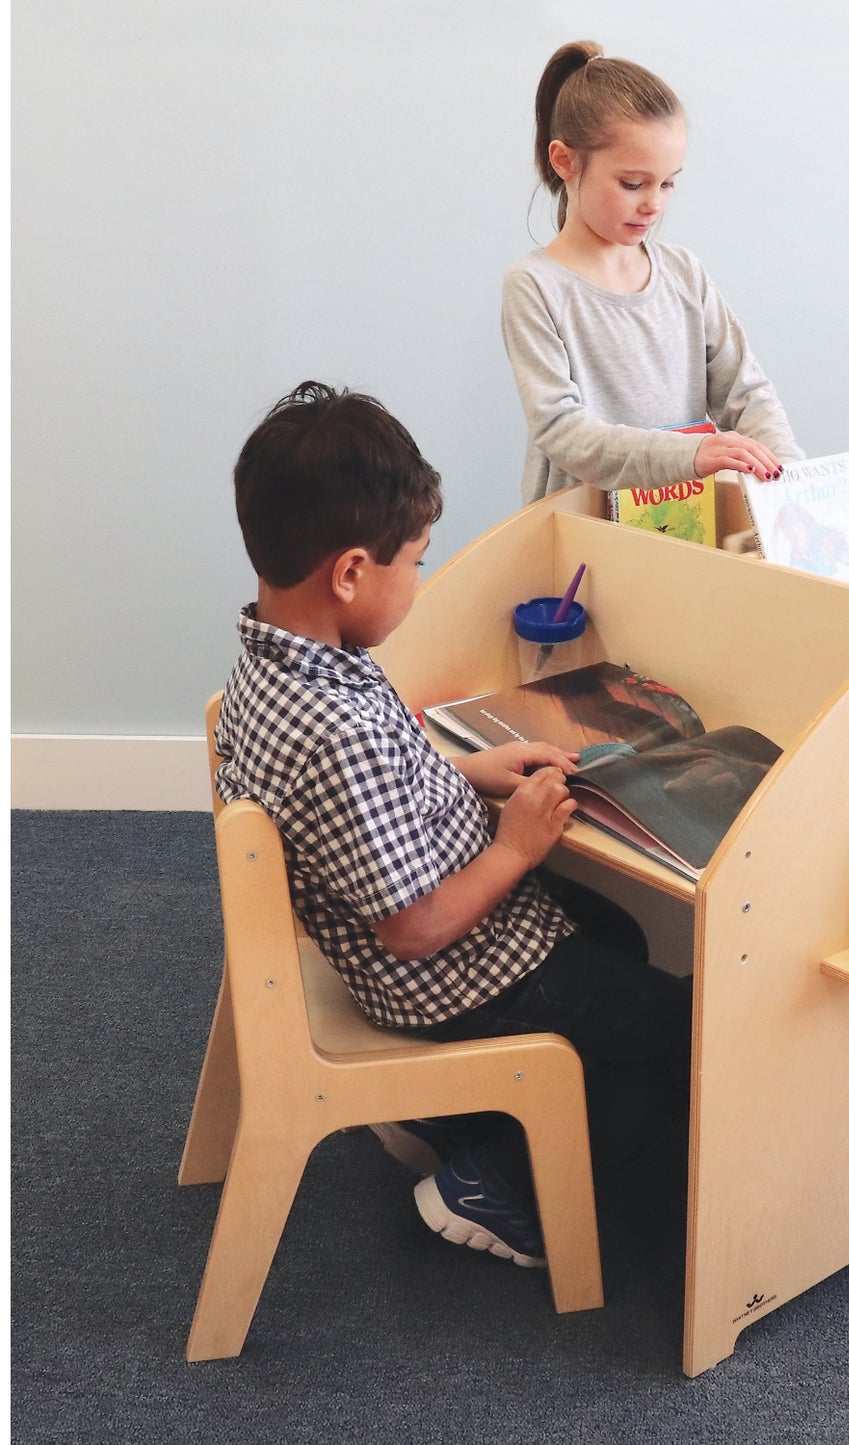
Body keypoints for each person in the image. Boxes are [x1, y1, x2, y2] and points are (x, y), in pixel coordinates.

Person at [214, 380, 692, 1268]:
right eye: (419, 560)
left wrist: (462, 769)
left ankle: (480, 1112)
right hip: (439, 972)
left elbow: (366, 792)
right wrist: (514, 845)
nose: (423, 580)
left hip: (415, 939)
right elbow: (415, 927)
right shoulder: (340, 728)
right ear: (352, 571)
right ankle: (500, 1184)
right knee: (684, 1033)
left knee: (617, 932)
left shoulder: (281, 665)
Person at [503, 38, 805, 503]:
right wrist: (691, 453)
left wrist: (792, 479)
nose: (654, 203)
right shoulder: (536, 287)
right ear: (564, 160)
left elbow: (746, 393)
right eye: (632, 183)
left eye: (668, 183)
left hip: (684, 524)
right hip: (583, 538)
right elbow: (561, 430)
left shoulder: (684, 272)